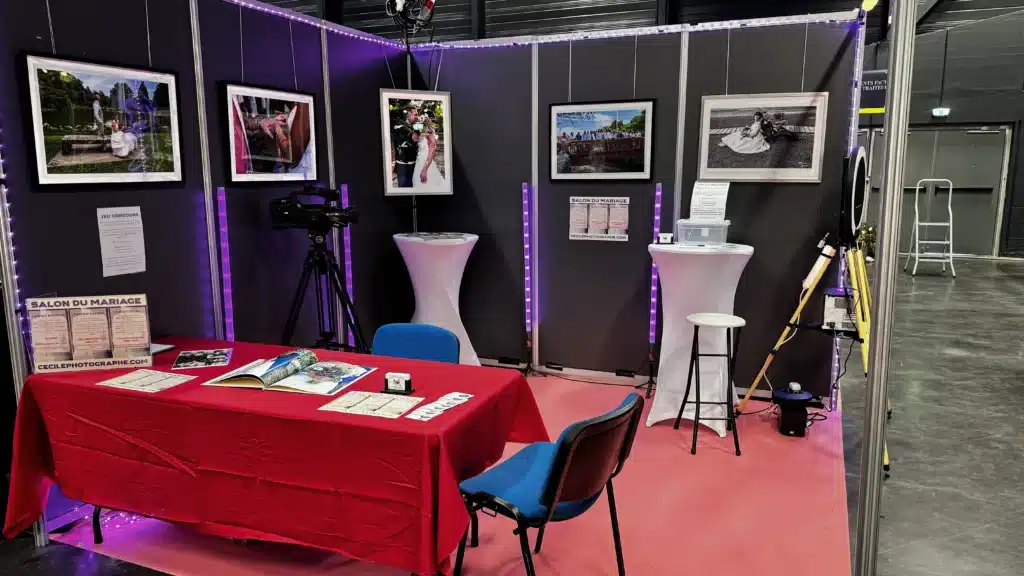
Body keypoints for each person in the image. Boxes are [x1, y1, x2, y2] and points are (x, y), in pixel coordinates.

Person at [392, 107, 420, 187]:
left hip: (413, 163)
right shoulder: (400, 125)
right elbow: (415, 137)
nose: (417, 117)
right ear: (409, 114)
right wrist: (418, 123)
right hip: (403, 164)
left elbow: (419, 138)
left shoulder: (412, 125)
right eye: (415, 115)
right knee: (404, 189)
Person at [413, 114, 444, 188]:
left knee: (427, 185)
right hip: (418, 162)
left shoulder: (430, 134)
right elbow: (415, 139)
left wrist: (424, 170)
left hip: (426, 162)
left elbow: (432, 152)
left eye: (422, 121)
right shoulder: (420, 133)